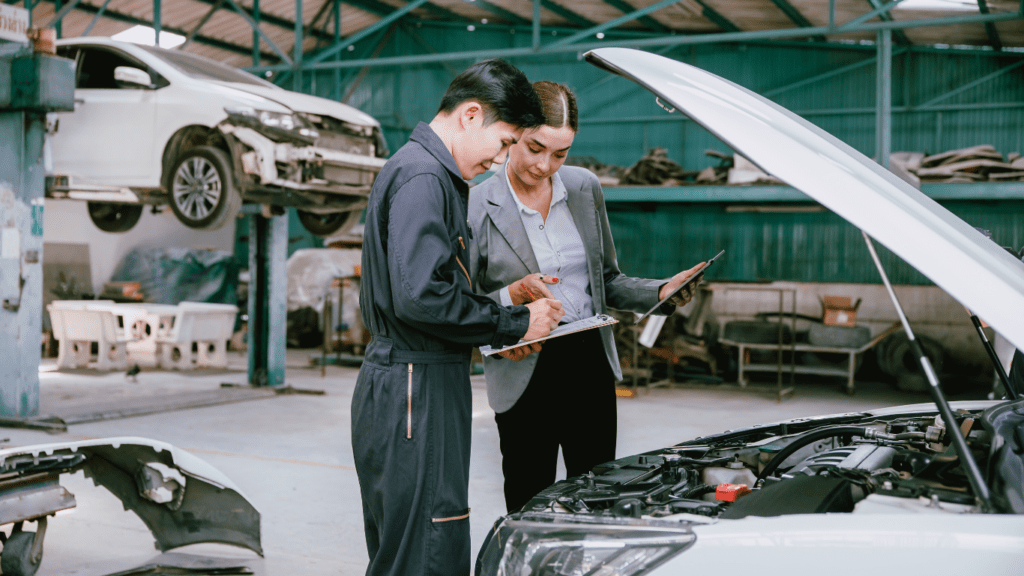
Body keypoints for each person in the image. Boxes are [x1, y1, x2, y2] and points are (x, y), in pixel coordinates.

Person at [352, 60, 565, 576]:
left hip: (414, 381)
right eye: (505, 141)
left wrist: (504, 303)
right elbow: (422, 297)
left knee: (412, 544)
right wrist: (514, 324)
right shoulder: (425, 177)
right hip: (415, 387)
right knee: (427, 548)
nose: (501, 159)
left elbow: (428, 288)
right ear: (471, 115)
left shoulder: (425, 172)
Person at [467, 81, 706, 513]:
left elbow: (608, 279)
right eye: (536, 148)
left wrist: (661, 291)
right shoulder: (477, 203)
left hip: (589, 363)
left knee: (598, 495)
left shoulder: (583, 188)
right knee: (528, 497)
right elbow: (467, 300)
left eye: (560, 154)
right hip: (525, 364)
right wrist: (512, 294)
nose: (545, 166)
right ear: (513, 133)